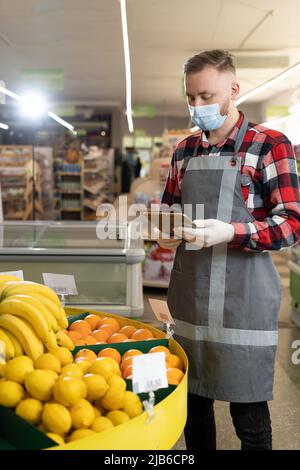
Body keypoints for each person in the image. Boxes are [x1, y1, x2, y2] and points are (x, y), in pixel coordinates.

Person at [158, 49, 300, 450]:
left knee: (249, 417)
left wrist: (231, 231)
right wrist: (163, 231)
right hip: (190, 301)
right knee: (194, 409)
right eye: (191, 98)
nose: (197, 106)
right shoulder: (184, 151)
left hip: (243, 304)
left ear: (233, 89)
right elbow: (169, 212)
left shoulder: (270, 145)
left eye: (206, 96)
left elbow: (292, 223)